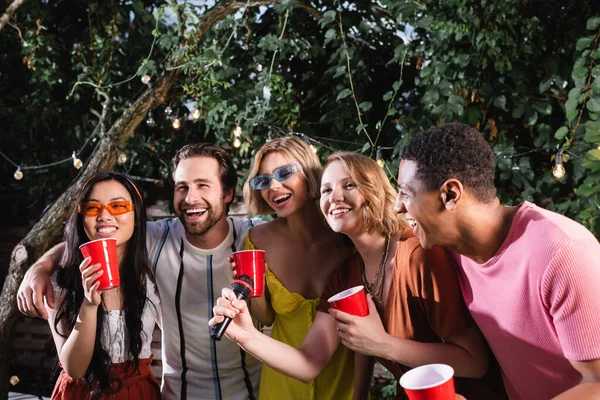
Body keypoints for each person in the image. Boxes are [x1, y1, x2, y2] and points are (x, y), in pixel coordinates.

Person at [210, 152, 506, 400]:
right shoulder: (347, 276)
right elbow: (309, 362)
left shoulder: (418, 254)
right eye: (326, 190)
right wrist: (246, 335)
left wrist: (382, 344)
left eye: (348, 185)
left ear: (373, 191)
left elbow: (474, 362)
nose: (334, 196)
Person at [18, 144, 262, 400]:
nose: (190, 198)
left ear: (228, 193)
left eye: (203, 185)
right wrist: (39, 268)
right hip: (176, 394)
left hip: (247, 394)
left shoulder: (257, 236)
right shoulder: (159, 238)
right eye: (182, 187)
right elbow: (90, 237)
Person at [395, 122, 600, 400]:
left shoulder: (564, 253)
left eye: (405, 193)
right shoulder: (450, 247)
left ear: (450, 195)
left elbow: (597, 383)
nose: (397, 206)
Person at [240, 136, 357, 399]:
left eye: (284, 173)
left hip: (343, 387)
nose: (274, 186)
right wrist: (250, 287)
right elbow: (268, 318)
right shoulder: (256, 241)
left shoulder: (348, 237)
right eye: (264, 180)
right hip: (282, 388)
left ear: (310, 173)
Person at [47, 171, 160, 399]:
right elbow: (75, 369)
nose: (104, 216)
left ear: (136, 214)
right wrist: (88, 305)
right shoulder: (61, 281)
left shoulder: (152, 272)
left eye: (118, 206)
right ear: (81, 217)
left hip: (138, 392)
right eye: (92, 208)